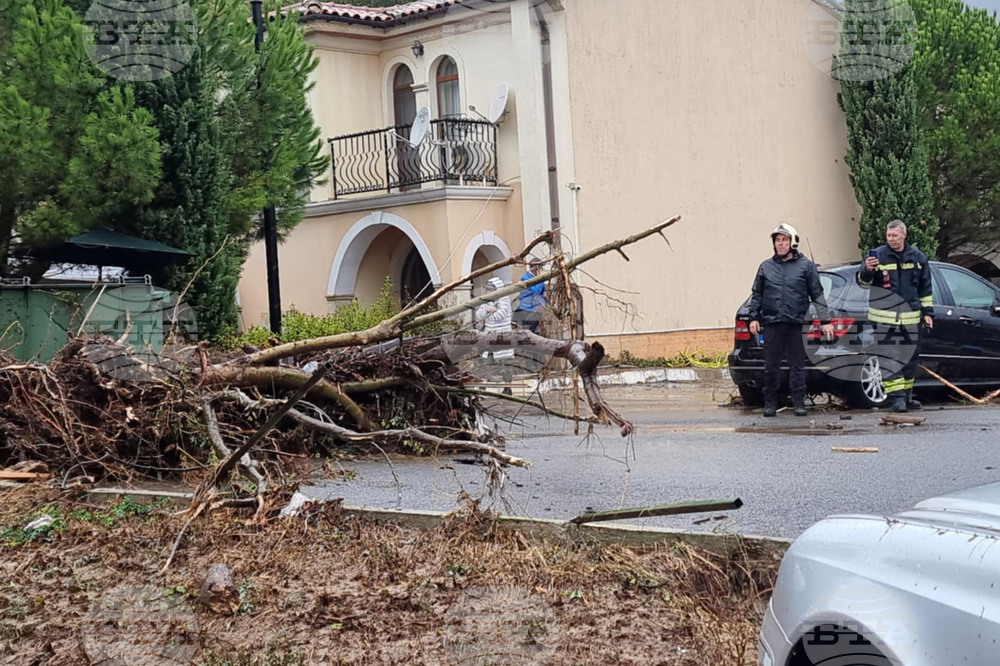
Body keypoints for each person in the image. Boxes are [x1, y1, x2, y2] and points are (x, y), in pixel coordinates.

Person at [748, 223, 833, 417]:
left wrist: (825, 320)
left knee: (797, 366)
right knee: (771, 366)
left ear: (792, 242)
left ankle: (799, 403)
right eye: (777, 240)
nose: (781, 244)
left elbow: (817, 294)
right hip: (772, 324)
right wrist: (753, 317)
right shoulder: (766, 267)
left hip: (796, 323)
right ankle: (770, 403)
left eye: (784, 240)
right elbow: (757, 294)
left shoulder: (806, 267)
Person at [857, 219, 934, 412]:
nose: (891, 239)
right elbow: (863, 284)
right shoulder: (877, 256)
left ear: (904, 235)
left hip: (911, 320)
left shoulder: (918, 258)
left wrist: (928, 314)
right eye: (888, 236)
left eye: (894, 235)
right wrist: (867, 270)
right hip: (884, 321)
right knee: (890, 360)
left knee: (910, 360)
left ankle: (906, 397)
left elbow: (925, 288)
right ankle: (896, 400)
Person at [477, 276, 514, 395]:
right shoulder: (487, 300)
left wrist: (488, 314)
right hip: (489, 336)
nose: (489, 292)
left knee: (505, 362)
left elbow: (500, 315)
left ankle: (508, 388)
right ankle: (483, 387)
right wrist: (488, 309)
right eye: (488, 289)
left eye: (491, 289)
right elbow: (479, 314)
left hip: (502, 335)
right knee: (487, 361)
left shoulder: (504, 300)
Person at [516, 256, 546, 333]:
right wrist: (541, 278)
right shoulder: (526, 278)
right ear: (536, 269)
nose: (542, 270)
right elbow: (537, 291)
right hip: (527, 311)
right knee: (529, 335)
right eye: (541, 268)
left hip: (534, 310)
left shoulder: (535, 278)